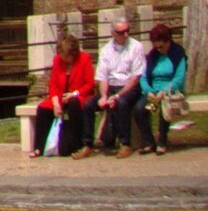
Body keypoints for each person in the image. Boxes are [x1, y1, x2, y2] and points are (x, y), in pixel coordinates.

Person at [31, 32, 97, 158]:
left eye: (65, 55)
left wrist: (74, 94)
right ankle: (39, 147)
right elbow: (53, 84)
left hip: (79, 96)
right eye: (61, 54)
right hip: (61, 96)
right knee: (43, 108)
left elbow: (89, 84)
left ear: (73, 54)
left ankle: (76, 144)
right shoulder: (57, 60)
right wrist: (56, 103)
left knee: (74, 104)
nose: (63, 58)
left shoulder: (84, 59)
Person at [95, 19, 147, 155]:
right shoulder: (105, 50)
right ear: (113, 33)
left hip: (130, 87)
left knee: (122, 102)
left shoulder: (136, 47)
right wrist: (104, 96)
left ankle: (125, 143)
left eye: (127, 31)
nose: (125, 34)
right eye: (121, 32)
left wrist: (117, 96)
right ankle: (88, 143)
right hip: (111, 86)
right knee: (89, 105)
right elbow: (102, 76)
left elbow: (135, 78)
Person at [135, 23, 188, 155]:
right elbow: (144, 77)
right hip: (153, 90)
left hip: (170, 90)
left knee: (165, 106)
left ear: (168, 42)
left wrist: (164, 92)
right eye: (156, 47)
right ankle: (148, 142)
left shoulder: (178, 54)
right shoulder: (152, 55)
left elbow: (179, 78)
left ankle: (162, 141)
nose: (159, 49)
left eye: (161, 46)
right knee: (139, 109)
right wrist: (149, 91)